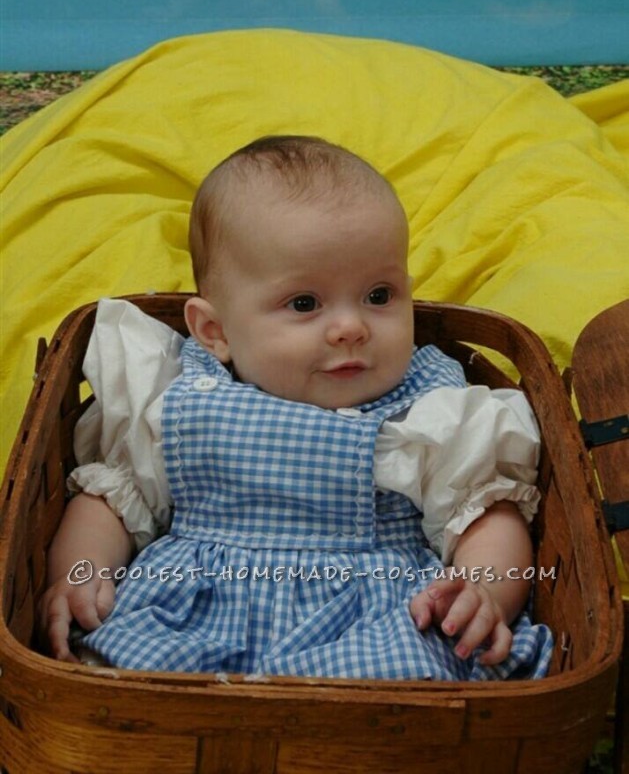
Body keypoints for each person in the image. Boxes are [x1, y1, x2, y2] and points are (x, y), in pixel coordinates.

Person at [39, 135, 552, 679]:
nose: (352, 327)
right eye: (304, 304)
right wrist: (81, 574)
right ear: (215, 332)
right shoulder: (175, 398)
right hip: (191, 609)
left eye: (379, 296)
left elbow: (484, 512)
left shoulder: (429, 409)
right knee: (113, 671)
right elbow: (113, 500)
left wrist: (484, 591)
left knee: (414, 677)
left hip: (375, 616)